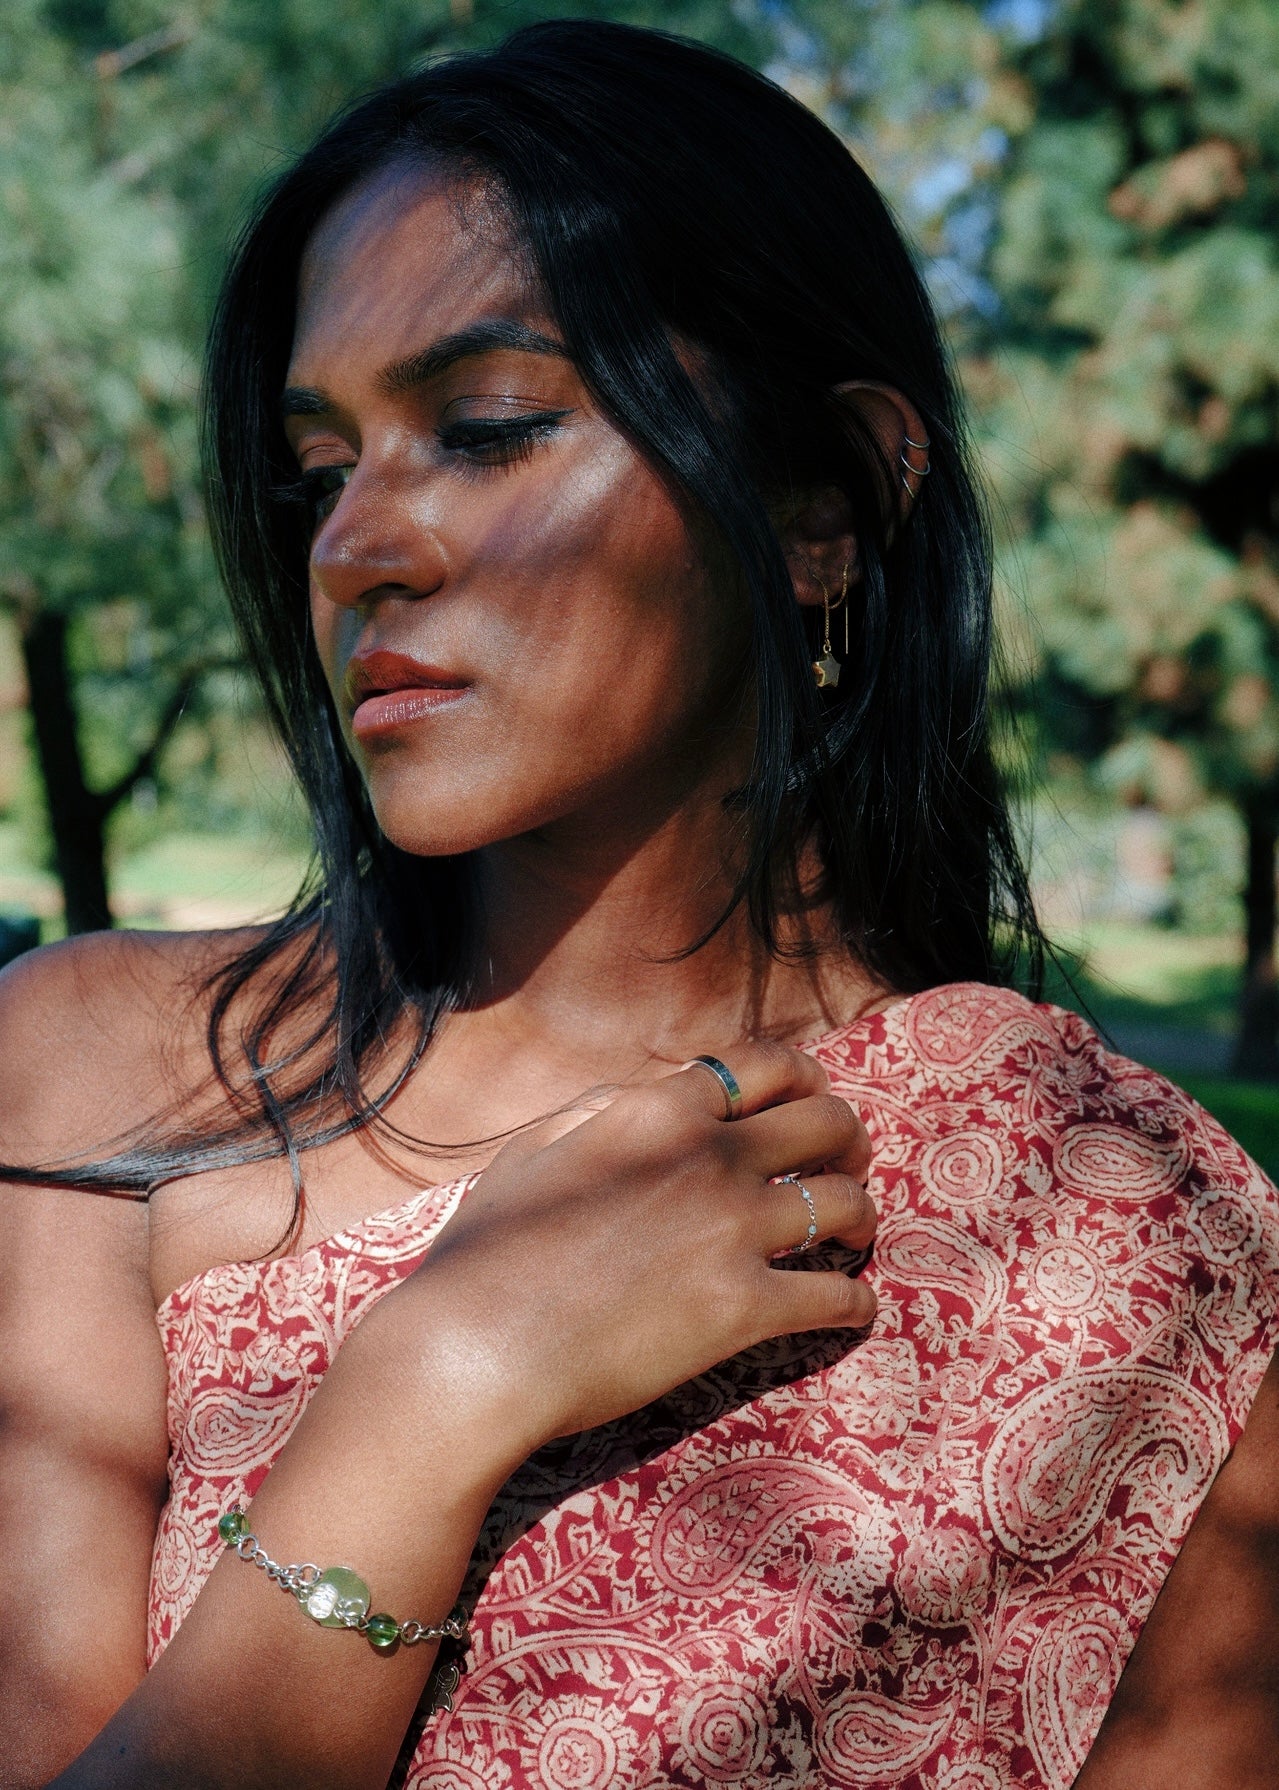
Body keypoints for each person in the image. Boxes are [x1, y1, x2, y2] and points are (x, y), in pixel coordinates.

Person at [2, 20, 1276, 1789]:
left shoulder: (1130, 1241)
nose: (357, 542)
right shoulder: (96, 1075)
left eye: (489, 426)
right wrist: (441, 1387)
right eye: (320, 466)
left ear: (822, 507)